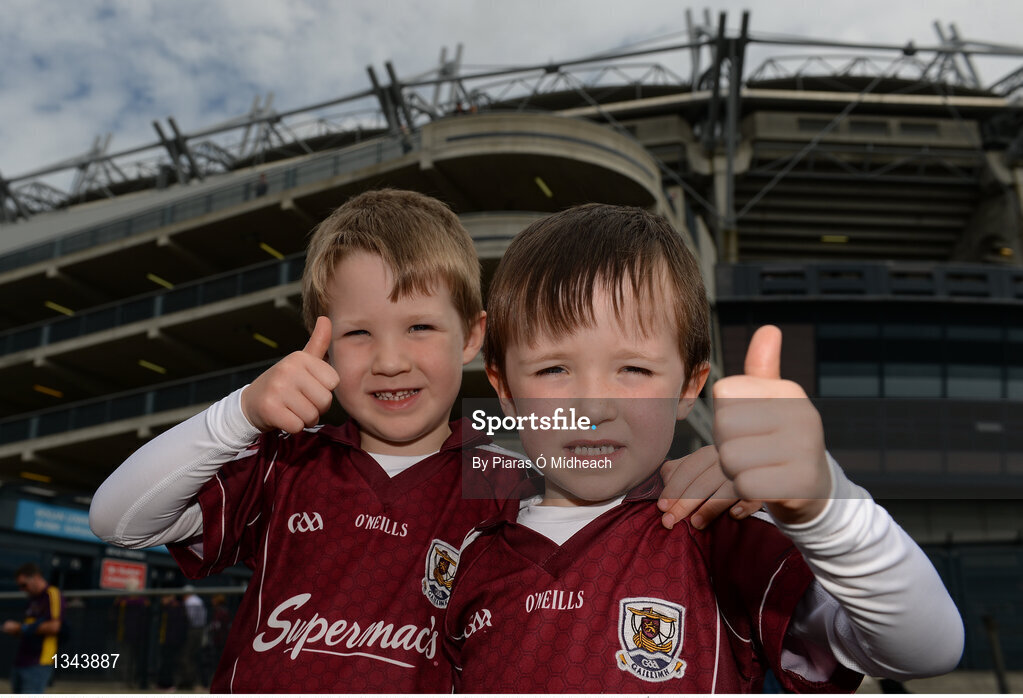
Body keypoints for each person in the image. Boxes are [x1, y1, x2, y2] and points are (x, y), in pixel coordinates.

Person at [88, 189, 741, 692]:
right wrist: (239, 415)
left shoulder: (508, 481)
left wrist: (717, 468)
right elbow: (119, 520)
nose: (390, 360)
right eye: (358, 333)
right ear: (318, 340)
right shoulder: (286, 464)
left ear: (475, 336)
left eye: (421, 327)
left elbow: (613, 474)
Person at [444, 204, 965, 692]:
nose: (594, 406)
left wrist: (824, 508)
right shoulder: (464, 551)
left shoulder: (718, 533)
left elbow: (928, 647)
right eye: (553, 369)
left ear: (690, 387)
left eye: (635, 369)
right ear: (505, 389)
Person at [2, 563, 63, 694]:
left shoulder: (51, 594)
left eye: (24, 585)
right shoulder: (32, 599)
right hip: (21, 660)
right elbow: (29, 629)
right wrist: (16, 630)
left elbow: (54, 626)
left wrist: (19, 627)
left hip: (39, 662)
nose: (22, 589)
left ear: (36, 577)